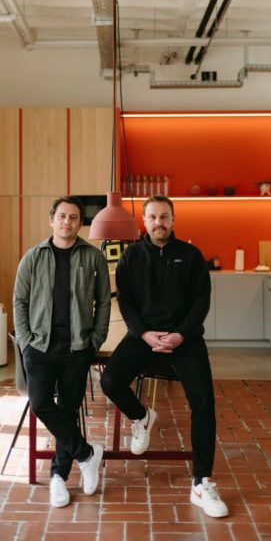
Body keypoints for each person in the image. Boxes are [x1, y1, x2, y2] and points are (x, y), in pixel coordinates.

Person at [100, 195, 228, 518]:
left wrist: (181, 334)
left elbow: (201, 300)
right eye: (153, 217)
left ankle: (201, 482)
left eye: (164, 217)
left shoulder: (191, 255)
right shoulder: (130, 257)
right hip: (143, 335)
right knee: (110, 381)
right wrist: (144, 333)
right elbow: (125, 301)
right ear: (144, 221)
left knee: (203, 404)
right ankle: (142, 416)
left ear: (173, 220)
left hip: (185, 338)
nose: (159, 222)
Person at [13, 195, 111, 508]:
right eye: (62, 216)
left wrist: (96, 339)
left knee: (68, 411)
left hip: (77, 346)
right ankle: (87, 453)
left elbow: (103, 301)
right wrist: (26, 341)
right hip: (40, 345)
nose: (67, 222)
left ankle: (58, 476)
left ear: (80, 223)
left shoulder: (93, 257)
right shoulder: (33, 257)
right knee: (40, 403)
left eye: (73, 217)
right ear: (52, 220)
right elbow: (19, 301)